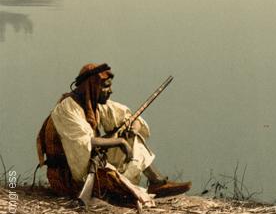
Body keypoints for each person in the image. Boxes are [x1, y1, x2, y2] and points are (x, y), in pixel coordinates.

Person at [37, 62, 190, 202]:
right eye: (105, 86)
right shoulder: (67, 108)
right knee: (117, 184)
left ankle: (157, 183)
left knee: (132, 138)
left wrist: (132, 128)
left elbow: (127, 116)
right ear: (92, 86)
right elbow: (83, 142)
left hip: (87, 163)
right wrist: (119, 141)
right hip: (66, 177)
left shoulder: (95, 104)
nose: (110, 91)